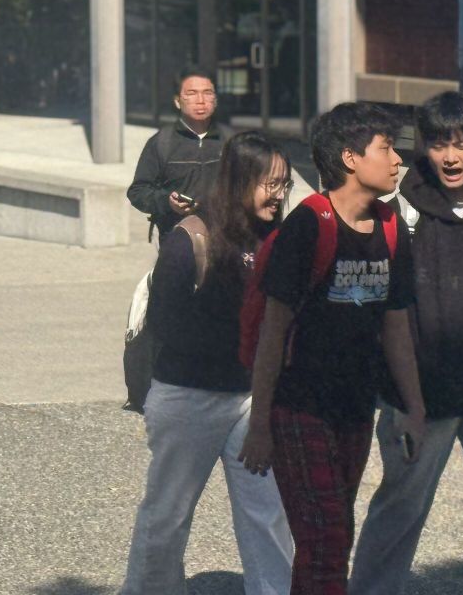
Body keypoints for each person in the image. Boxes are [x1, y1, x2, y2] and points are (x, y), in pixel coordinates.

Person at [238, 102, 427, 595]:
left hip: (354, 409)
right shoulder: (309, 224)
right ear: (349, 157)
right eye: (385, 149)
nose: (396, 161)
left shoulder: (389, 226)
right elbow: (272, 331)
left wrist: (414, 407)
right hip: (299, 407)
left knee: (332, 539)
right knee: (324, 537)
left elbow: (396, 327)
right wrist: (260, 424)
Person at [350, 91, 463, 595]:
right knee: (399, 509)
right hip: (418, 400)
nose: (450, 157)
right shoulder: (397, 215)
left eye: (462, 143)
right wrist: (404, 397)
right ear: (421, 147)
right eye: (438, 144)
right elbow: (384, 315)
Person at [121, 131, 294, 595]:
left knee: (268, 516)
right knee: (167, 516)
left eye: (284, 184)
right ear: (240, 179)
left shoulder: (277, 236)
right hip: (188, 397)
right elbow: (166, 323)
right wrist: (242, 343)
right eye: (269, 184)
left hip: (251, 399)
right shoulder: (190, 239)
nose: (278, 196)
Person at [127, 65, 229, 241]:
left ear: (215, 99)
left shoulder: (231, 140)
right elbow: (138, 191)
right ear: (177, 101)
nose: (201, 100)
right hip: (176, 238)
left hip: (224, 237)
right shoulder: (161, 142)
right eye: (191, 93)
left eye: (207, 93)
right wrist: (168, 202)